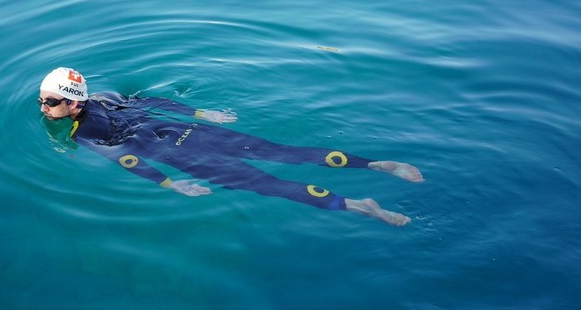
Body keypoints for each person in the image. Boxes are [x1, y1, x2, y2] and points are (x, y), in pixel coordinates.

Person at [38, 67, 424, 226]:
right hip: (191, 132)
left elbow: (126, 158)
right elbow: (157, 105)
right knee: (287, 153)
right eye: (42, 100)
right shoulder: (105, 95)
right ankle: (376, 165)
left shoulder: (81, 134)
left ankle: (360, 206)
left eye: (51, 102)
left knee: (269, 184)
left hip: (179, 154)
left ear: (74, 103)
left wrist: (170, 184)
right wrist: (202, 113)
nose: (43, 107)